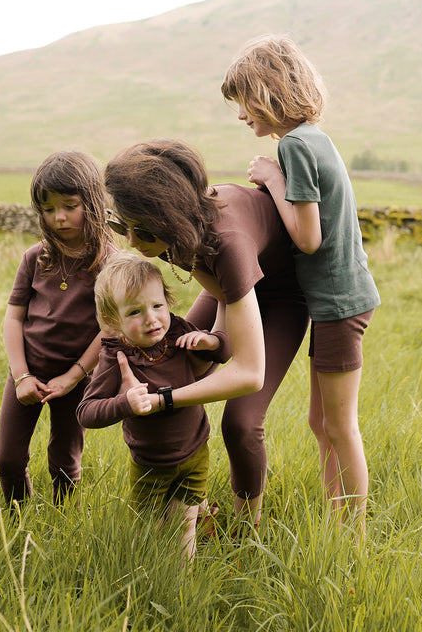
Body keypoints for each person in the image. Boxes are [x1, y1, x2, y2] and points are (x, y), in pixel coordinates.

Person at [103, 138, 309, 531]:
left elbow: (249, 374)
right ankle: (185, 500)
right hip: (232, 287)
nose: (130, 242)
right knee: (175, 364)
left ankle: (247, 531)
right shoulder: (176, 233)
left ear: (166, 217)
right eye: (122, 226)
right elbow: (222, 295)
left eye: (139, 230)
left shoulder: (227, 243)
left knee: (241, 422)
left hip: (281, 296)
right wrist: (214, 343)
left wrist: (164, 399)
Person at [221, 34, 380, 536]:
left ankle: (350, 535)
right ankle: (336, 515)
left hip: (337, 304)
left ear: (268, 92)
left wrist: (270, 178)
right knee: (321, 423)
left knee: (340, 425)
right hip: (341, 299)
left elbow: (308, 238)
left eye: (245, 102)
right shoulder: (315, 137)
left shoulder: (292, 147)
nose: (242, 116)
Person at [76, 252, 231, 564]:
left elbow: (225, 352)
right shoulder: (116, 355)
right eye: (135, 311)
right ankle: (142, 577)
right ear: (113, 321)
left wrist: (210, 342)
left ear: (167, 301)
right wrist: (125, 402)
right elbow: (86, 412)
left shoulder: (176, 331)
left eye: (157, 305)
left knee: (184, 525)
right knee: (147, 529)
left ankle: (181, 582)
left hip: (195, 453)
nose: (151, 318)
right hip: (150, 465)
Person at [0, 151, 114, 505]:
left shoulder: (109, 263)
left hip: (78, 378)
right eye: (48, 209)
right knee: (8, 458)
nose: (59, 217)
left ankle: (63, 524)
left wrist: (74, 377)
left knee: (65, 460)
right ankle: (17, 522)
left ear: (92, 202)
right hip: (27, 373)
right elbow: (14, 317)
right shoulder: (35, 257)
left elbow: (110, 327)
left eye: (69, 205)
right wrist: (21, 376)